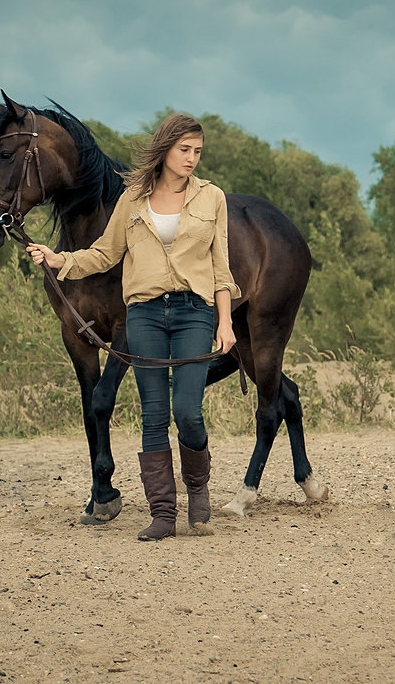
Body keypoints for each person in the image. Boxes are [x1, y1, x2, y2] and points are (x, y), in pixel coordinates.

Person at [28, 113, 239, 541]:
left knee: (187, 412)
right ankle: (163, 513)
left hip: (193, 312)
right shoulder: (132, 198)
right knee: (154, 415)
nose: (192, 159)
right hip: (143, 313)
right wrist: (59, 260)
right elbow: (105, 254)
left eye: (198, 152)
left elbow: (221, 267)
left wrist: (226, 321)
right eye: (185, 150)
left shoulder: (211, 198)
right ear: (165, 149)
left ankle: (197, 487)